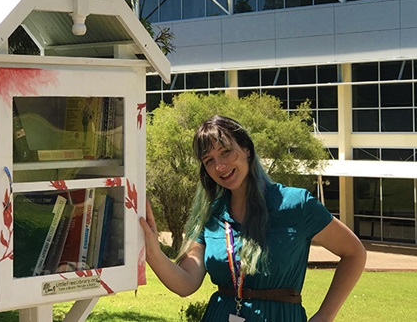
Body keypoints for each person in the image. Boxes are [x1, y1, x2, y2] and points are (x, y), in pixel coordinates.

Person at [140, 115, 366, 322]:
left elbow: (354, 252)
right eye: (209, 160)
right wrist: (153, 251)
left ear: (247, 148)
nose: (219, 166)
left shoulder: (298, 204)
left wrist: (325, 316)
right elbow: (186, 283)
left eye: (226, 152)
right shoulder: (210, 215)